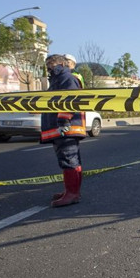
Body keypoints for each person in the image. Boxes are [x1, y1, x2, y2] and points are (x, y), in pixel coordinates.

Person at [41, 54, 86, 207]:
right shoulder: (58, 79)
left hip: (65, 127)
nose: (49, 68)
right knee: (69, 160)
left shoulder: (66, 78)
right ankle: (72, 192)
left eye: (50, 65)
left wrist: (63, 119)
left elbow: (71, 100)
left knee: (69, 160)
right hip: (62, 127)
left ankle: (72, 194)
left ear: (60, 64)